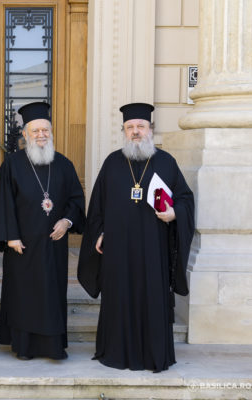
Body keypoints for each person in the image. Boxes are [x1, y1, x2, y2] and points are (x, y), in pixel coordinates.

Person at [77, 102, 195, 372]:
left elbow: (186, 200)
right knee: (119, 297)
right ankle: (116, 352)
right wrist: (100, 232)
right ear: (124, 131)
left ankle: (153, 354)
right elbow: (98, 206)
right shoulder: (112, 163)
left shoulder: (166, 162)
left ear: (150, 129)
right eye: (129, 127)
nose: (135, 131)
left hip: (154, 248)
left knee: (151, 297)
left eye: (140, 126)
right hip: (117, 249)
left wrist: (174, 213)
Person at [0, 102, 85, 360]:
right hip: (22, 245)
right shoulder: (12, 164)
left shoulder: (63, 164)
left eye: (45, 130)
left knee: (52, 294)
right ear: (25, 134)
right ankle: (24, 347)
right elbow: (2, 202)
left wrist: (67, 221)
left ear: (51, 132)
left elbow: (76, 199)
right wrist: (10, 236)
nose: (41, 135)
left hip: (54, 245)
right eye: (35, 131)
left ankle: (53, 347)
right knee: (24, 295)